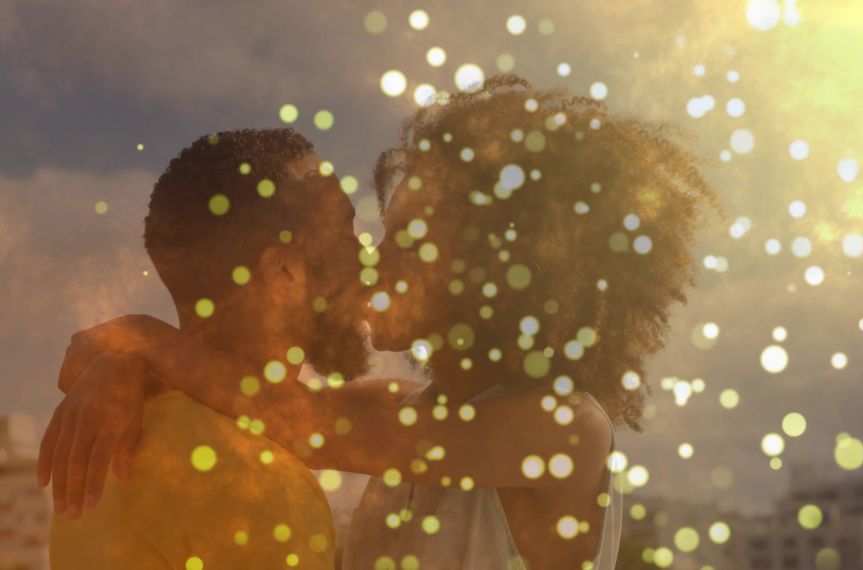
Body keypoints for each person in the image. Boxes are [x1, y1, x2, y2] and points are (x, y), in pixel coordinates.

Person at [44, 74, 717, 569]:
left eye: (406, 239)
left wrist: (141, 337)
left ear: (493, 272)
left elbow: (303, 424)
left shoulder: (566, 427)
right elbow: (247, 396)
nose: (374, 256)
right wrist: (125, 370)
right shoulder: (403, 410)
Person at [41, 129, 370, 569]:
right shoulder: (259, 480)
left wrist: (131, 352)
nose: (366, 256)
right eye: (347, 234)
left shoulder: (103, 446)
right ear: (283, 268)